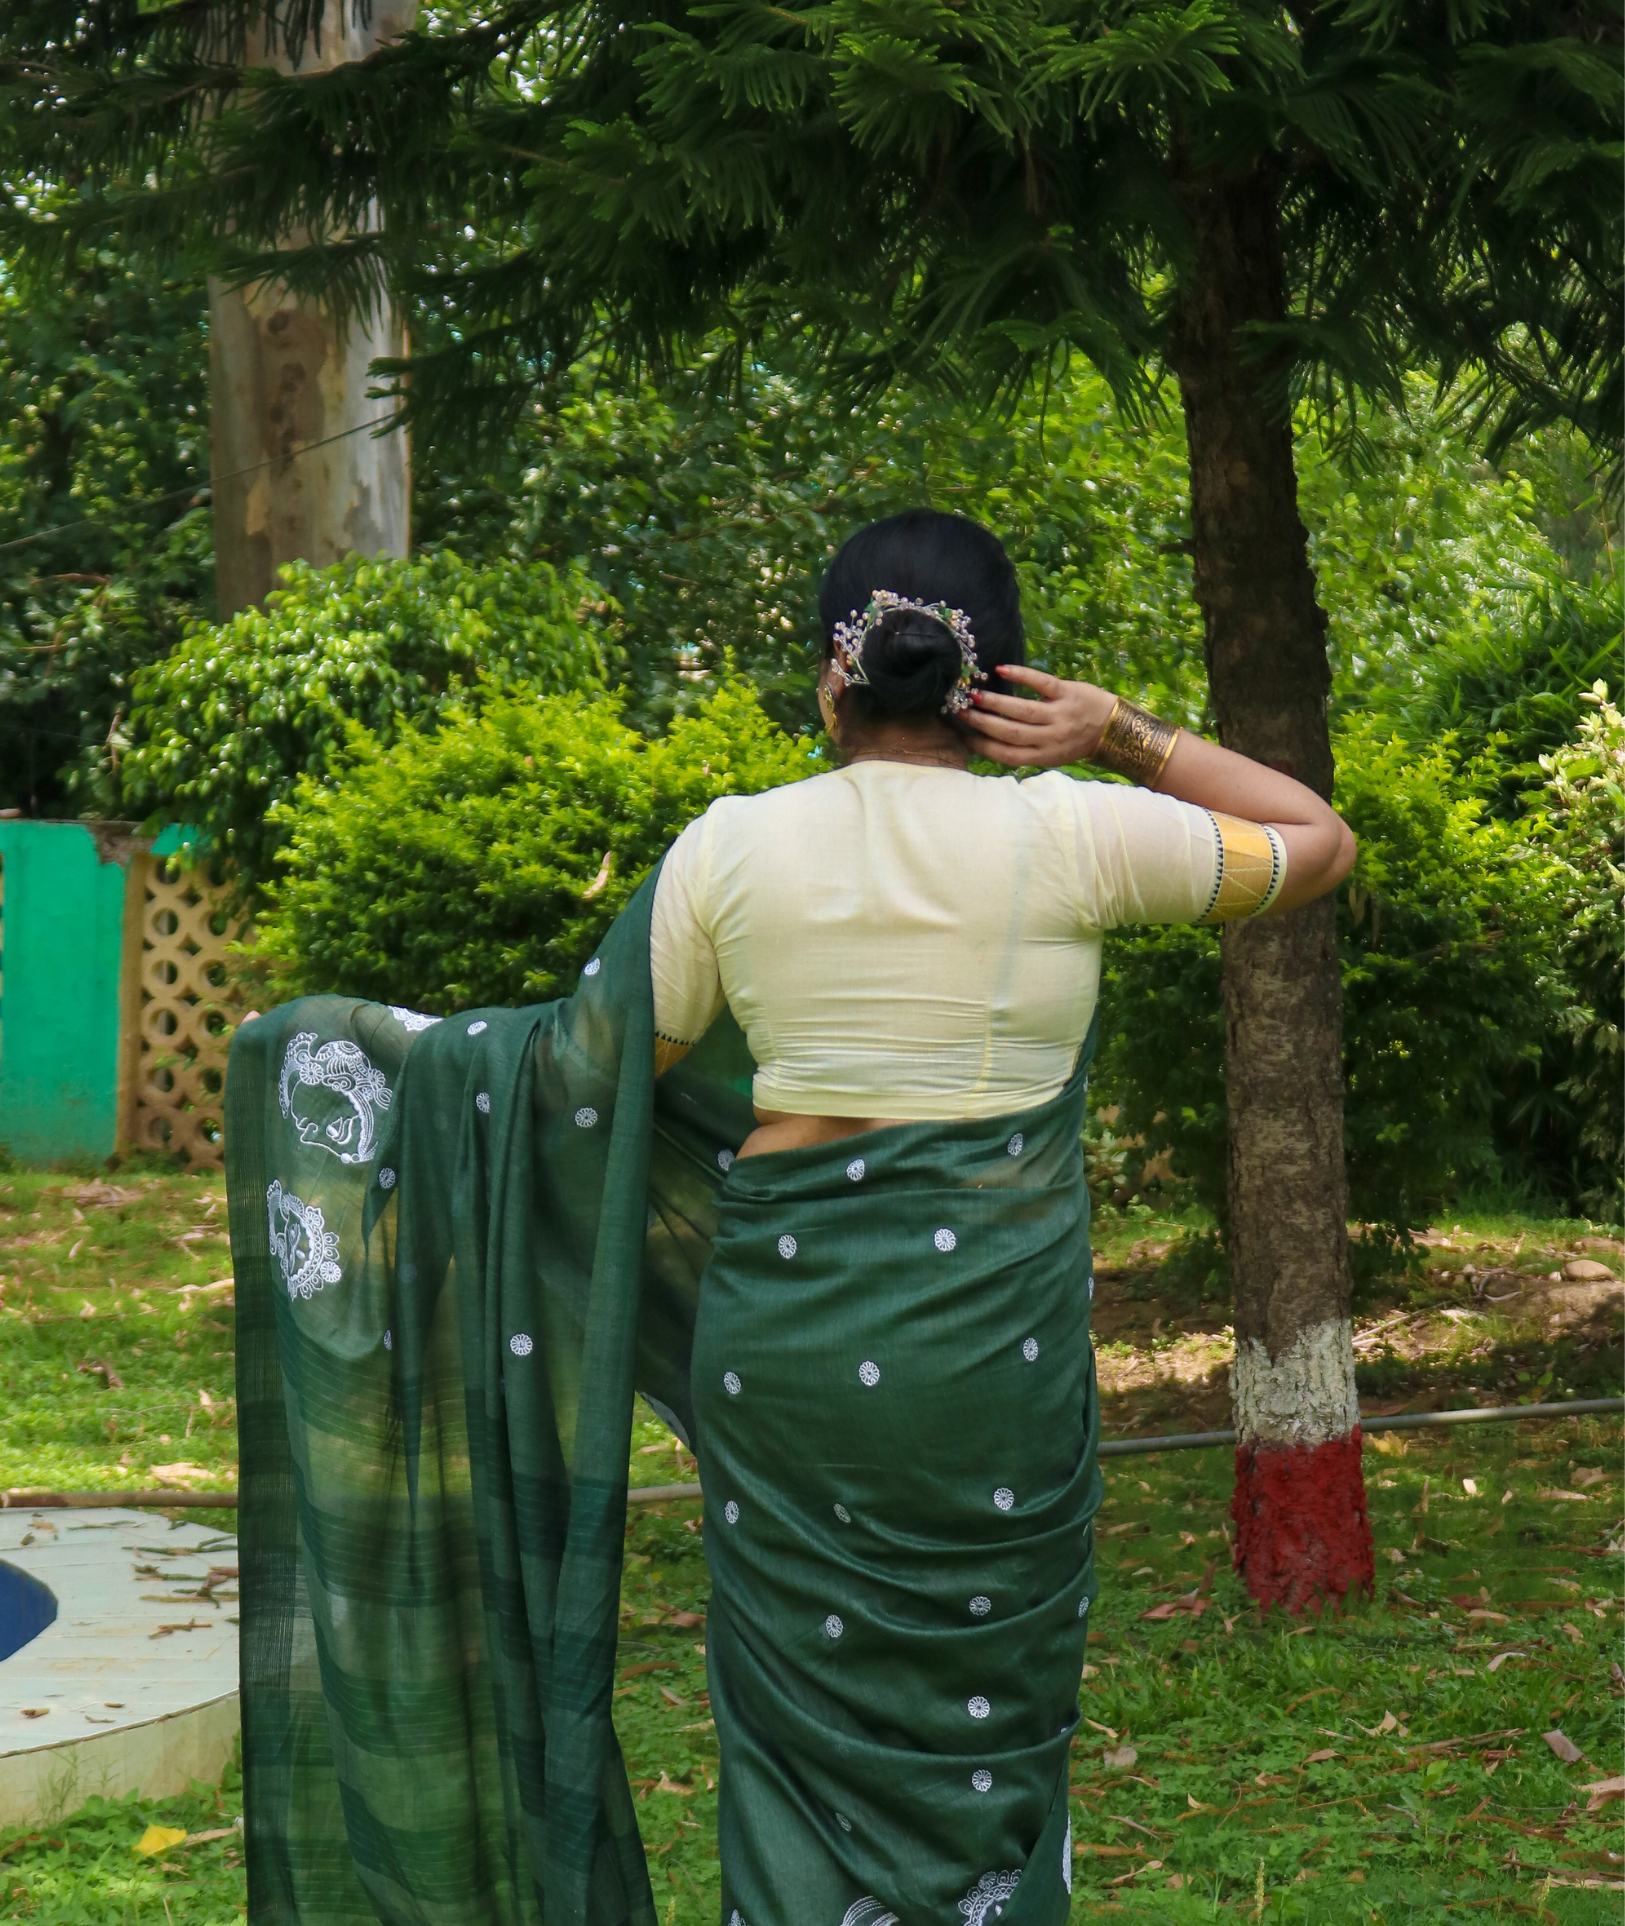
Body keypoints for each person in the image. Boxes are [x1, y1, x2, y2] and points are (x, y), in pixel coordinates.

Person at [225, 509, 1354, 1926]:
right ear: (1000, 683)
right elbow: (1316, 837)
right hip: (993, 1375)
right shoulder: (1083, 834)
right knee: (990, 1737)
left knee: (789, 1748)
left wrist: (382, 1054)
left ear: (834, 677)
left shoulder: (730, 851)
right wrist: (1116, 730)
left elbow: (584, 1081)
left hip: (783, 1359)